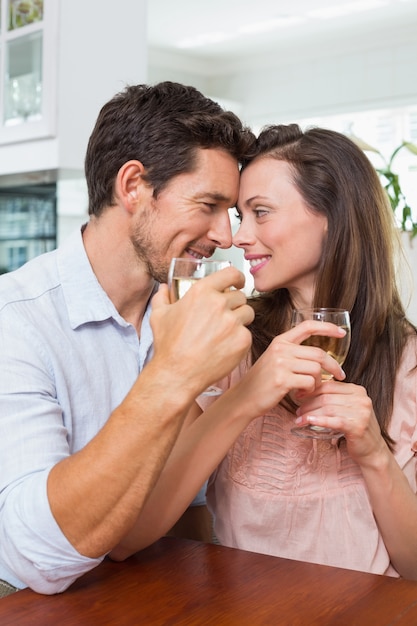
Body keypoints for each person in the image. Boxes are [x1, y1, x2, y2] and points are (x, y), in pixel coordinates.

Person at [110, 124, 417, 581]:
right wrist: (246, 395)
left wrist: (373, 452)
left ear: (331, 215)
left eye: (261, 212)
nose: (238, 237)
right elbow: (131, 534)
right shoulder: (230, 338)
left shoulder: (407, 362)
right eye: (240, 215)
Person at [0, 81, 257, 595]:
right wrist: (175, 373)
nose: (226, 236)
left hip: (157, 586)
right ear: (134, 185)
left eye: (231, 212)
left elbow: (197, 504)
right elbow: (36, 556)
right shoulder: (17, 319)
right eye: (208, 204)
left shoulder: (189, 307)